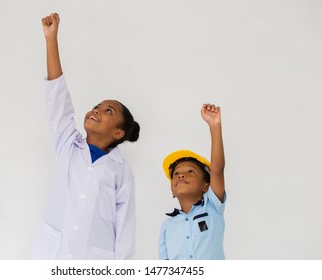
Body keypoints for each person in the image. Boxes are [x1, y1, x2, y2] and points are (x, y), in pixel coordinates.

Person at [32, 13, 140, 260]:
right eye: (97, 106)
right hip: (52, 255)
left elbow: (125, 230)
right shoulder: (67, 145)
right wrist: (51, 39)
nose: (97, 111)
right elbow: (57, 97)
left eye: (108, 111)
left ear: (118, 132)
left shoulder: (121, 171)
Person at [159, 104, 225, 260]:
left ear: (206, 185)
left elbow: (217, 169)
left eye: (190, 171)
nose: (181, 176)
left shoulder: (212, 207)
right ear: (172, 191)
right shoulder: (167, 227)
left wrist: (214, 126)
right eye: (176, 174)